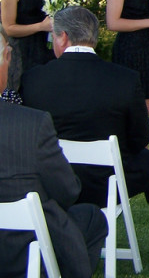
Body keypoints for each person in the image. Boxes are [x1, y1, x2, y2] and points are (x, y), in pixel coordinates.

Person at [21, 6, 149, 267]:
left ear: (63, 37)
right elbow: (139, 139)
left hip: (51, 185)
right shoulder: (123, 79)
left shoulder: (33, 79)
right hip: (107, 185)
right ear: (94, 37)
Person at [0, 29, 107, 278]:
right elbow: (67, 191)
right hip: (22, 249)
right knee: (91, 217)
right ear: (6, 58)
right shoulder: (32, 123)